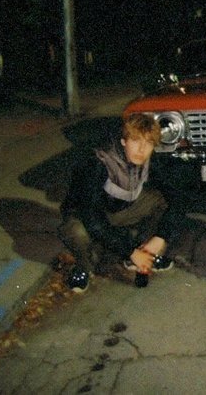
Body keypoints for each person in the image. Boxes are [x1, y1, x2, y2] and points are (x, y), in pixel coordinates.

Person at [58, 113, 174, 292]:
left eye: (149, 143)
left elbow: (178, 197)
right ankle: (84, 267)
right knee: (76, 231)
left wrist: (160, 238)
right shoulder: (97, 162)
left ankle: (144, 255)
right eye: (136, 140)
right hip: (85, 216)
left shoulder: (149, 158)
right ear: (123, 141)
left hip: (119, 211)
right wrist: (130, 251)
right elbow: (92, 218)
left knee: (160, 201)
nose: (142, 149)